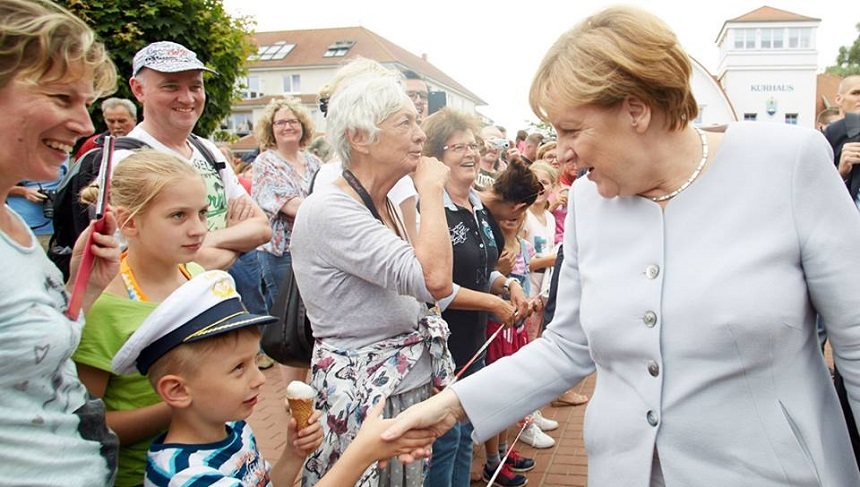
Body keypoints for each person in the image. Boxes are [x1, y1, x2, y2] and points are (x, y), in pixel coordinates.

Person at [383, 6, 860, 486]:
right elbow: (567, 347)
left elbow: (856, 340)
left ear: (636, 109)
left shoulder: (788, 164)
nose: (560, 152)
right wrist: (451, 406)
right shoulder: (590, 202)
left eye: (571, 129)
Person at [290, 59, 455, 487]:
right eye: (405, 123)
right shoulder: (331, 209)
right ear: (360, 137)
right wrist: (432, 190)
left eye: (418, 121)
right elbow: (434, 279)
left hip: (395, 390)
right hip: (365, 397)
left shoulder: (380, 202)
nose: (421, 134)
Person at [112, 270, 437, 486]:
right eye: (238, 368)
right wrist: (363, 451)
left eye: (255, 362)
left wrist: (293, 453)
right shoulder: (187, 475)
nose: (258, 380)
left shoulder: (232, 428)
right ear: (178, 390)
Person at [0, 0, 122, 484]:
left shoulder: (13, 226)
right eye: (61, 98)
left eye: (86, 103)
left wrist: (82, 288)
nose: (86, 125)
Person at [419, 108, 540, 487]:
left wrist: (507, 285)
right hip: (441, 346)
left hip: (473, 343)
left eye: (473, 145)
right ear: (437, 157)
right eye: (459, 147)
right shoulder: (431, 209)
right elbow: (433, 286)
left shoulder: (477, 208)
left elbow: (481, 268)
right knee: (446, 439)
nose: (471, 154)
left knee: (465, 434)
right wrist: (492, 303)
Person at [71, 151, 208, 486]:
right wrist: (188, 403)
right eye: (178, 216)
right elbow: (89, 424)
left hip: (209, 463)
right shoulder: (106, 306)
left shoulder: (197, 275)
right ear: (129, 221)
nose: (198, 229)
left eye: (202, 213)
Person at [119, 41, 271, 272]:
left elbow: (261, 228)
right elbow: (160, 264)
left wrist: (207, 242)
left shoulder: (207, 150)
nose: (187, 98)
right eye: (171, 87)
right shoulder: (126, 160)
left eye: (195, 87)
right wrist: (236, 241)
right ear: (138, 90)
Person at [251, 97, 322, 387]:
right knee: (288, 323)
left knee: (312, 321)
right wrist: (328, 211)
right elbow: (289, 206)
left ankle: (306, 387)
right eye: (280, 122)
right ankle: (293, 394)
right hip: (281, 255)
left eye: (292, 121)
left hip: (314, 252)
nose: (287, 127)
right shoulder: (265, 162)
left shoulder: (314, 162)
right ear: (271, 129)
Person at [6, 157, 68, 251]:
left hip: (54, 230)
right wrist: (24, 191)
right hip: (21, 229)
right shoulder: (13, 151)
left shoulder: (60, 151)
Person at [74, 97, 138, 160]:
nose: (116, 126)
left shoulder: (144, 141)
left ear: (134, 120)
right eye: (111, 121)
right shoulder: (92, 145)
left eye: (122, 121)